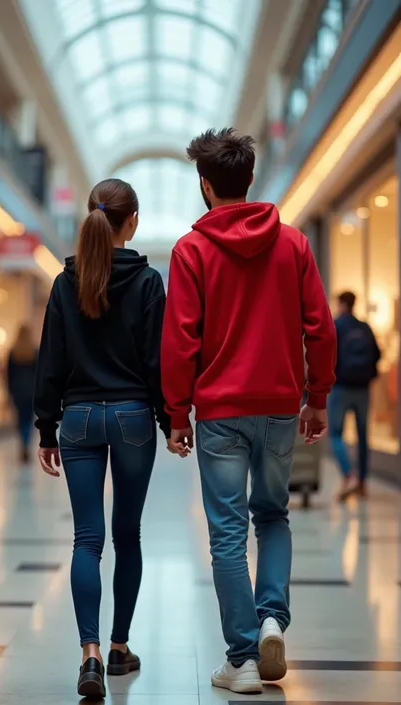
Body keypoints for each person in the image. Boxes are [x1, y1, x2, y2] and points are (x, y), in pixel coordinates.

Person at [161, 128, 337, 695]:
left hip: (219, 414)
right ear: (250, 180)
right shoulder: (292, 244)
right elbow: (320, 327)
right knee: (274, 515)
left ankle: (240, 659)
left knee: (227, 533)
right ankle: (271, 620)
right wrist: (318, 398)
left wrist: (176, 412)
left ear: (206, 186)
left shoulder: (192, 250)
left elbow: (181, 338)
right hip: (282, 407)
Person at [34, 178, 170, 699]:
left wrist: (47, 426)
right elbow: (157, 360)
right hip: (133, 414)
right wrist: (168, 419)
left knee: (86, 539)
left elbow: (51, 360)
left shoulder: (66, 281)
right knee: (127, 534)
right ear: (131, 221)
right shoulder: (148, 280)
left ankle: (88, 655)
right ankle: (118, 647)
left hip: (81, 417)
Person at [329, 291, 380, 500]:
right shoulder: (365, 327)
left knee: (335, 434)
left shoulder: (337, 325)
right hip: (362, 389)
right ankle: (362, 483)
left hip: (340, 387)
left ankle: (348, 475)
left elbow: (327, 354)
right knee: (362, 436)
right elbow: (377, 354)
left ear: (341, 304)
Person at [7, 325, 38, 463]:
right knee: (29, 419)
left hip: (17, 390)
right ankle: (27, 443)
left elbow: (9, 374)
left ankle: (23, 443)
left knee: (20, 419)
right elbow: (40, 373)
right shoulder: (34, 352)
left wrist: (9, 391)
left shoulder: (13, 352)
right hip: (32, 390)